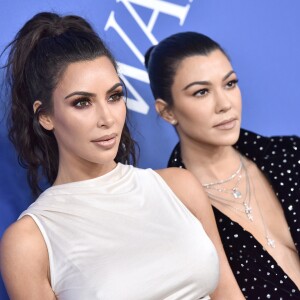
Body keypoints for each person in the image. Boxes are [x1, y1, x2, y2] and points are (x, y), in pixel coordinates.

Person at [0, 13, 245, 299]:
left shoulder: (179, 187)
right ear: (45, 116)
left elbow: (228, 293)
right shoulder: (30, 241)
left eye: (114, 96)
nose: (107, 118)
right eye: (82, 102)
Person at [145, 31, 300, 299]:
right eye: (201, 92)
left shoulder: (290, 153)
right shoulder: (174, 210)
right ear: (167, 111)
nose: (225, 104)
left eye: (230, 84)